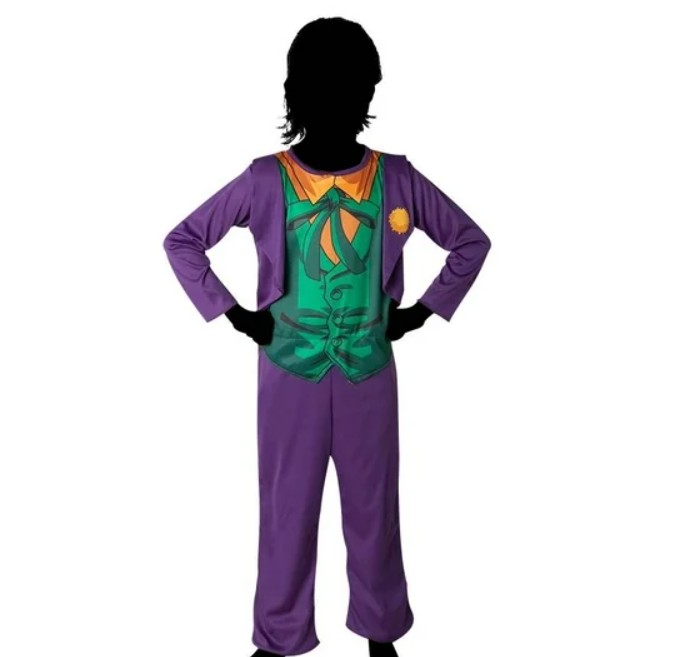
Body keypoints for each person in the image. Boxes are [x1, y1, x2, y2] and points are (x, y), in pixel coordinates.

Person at [163, 16, 492, 657]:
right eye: (328, 88)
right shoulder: (265, 179)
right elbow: (183, 241)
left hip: (370, 372)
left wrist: (422, 312)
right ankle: (279, 634)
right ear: (299, 94)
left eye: (353, 89)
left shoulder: (397, 178)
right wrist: (237, 315)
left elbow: (469, 242)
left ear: (368, 93)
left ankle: (380, 629)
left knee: (375, 508)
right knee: (286, 508)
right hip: (289, 374)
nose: (342, 102)